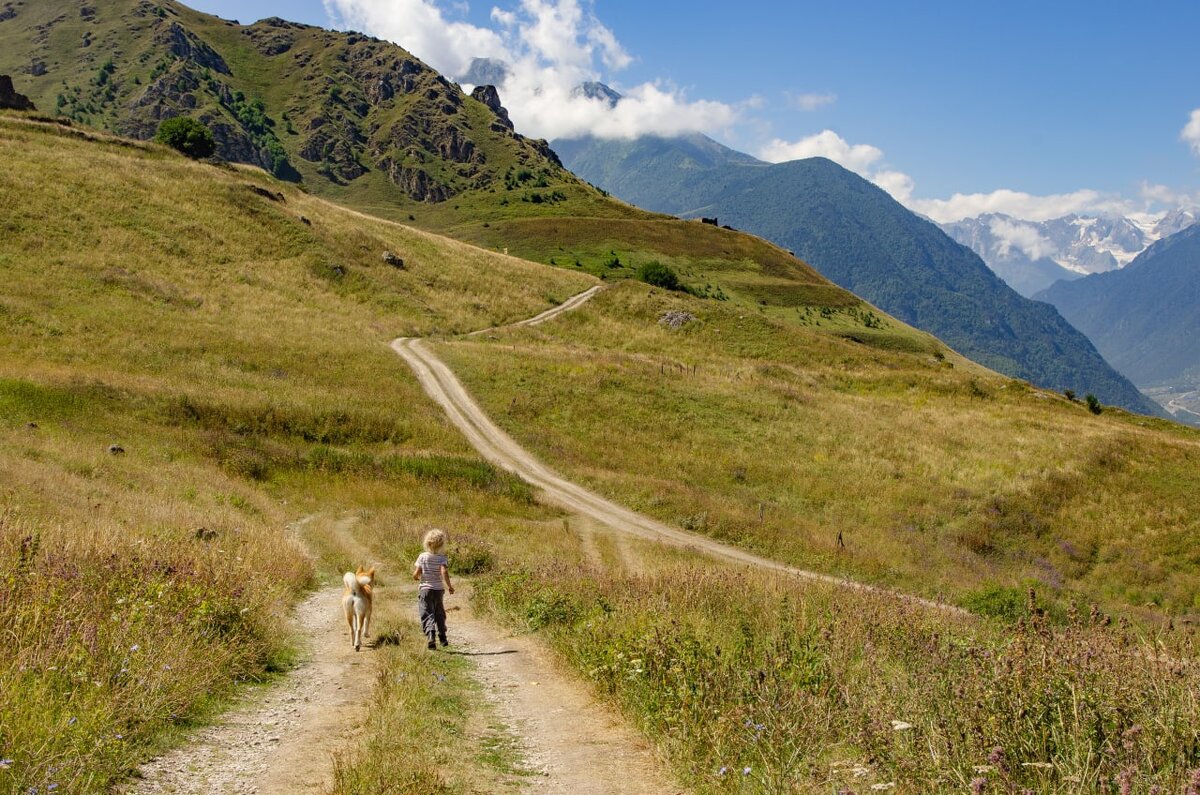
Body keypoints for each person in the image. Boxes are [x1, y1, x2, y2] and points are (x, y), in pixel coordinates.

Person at [412, 528, 454, 650]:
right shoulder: (442, 558)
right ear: (442, 544)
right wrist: (449, 586)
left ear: (427, 543)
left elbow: (417, 573)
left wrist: (415, 576)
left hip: (425, 589)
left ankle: (431, 635)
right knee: (439, 612)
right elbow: (444, 572)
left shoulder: (422, 557)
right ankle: (443, 636)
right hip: (438, 590)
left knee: (427, 612)